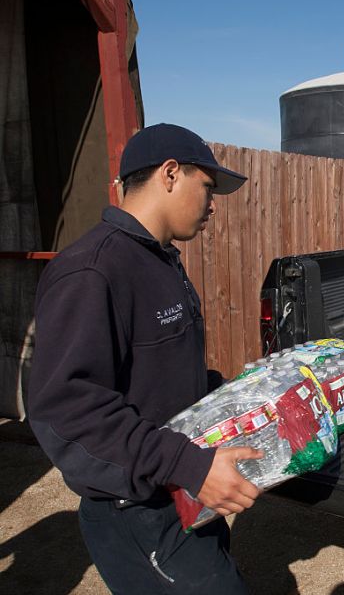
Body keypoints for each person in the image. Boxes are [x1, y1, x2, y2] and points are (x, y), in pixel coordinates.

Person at [28, 124, 262, 594]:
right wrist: (191, 466)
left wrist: (233, 393)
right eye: (208, 187)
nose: (213, 204)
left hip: (183, 493)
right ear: (171, 173)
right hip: (136, 514)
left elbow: (160, 380)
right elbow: (69, 411)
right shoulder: (92, 269)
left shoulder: (160, 261)